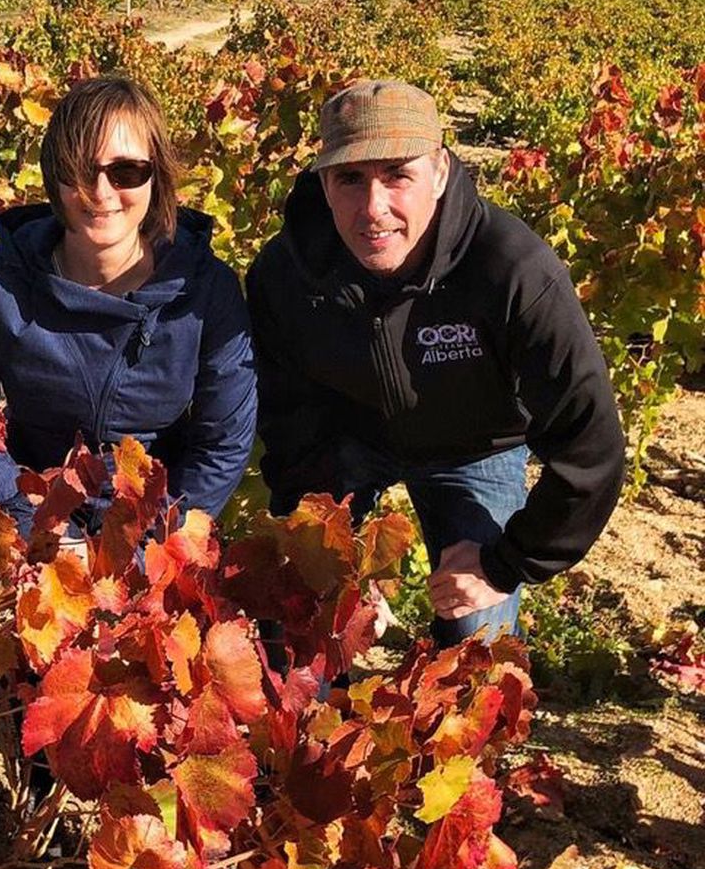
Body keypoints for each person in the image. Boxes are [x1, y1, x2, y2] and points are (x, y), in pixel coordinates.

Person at [246, 77, 626, 644]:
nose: (374, 209)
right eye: (350, 178)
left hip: (476, 446)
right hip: (349, 440)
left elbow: (590, 448)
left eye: (398, 174)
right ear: (323, 183)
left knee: (474, 640)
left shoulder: (513, 271)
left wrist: (505, 565)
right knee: (298, 617)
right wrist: (339, 565)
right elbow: (290, 423)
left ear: (441, 173)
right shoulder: (287, 273)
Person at [0, 73, 257, 539]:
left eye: (126, 172)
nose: (101, 192)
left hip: (154, 521)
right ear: (55, 176)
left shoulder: (207, 294)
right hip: (25, 509)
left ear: (156, 176)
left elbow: (221, 445)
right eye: (81, 170)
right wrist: (28, 519)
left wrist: (146, 536)